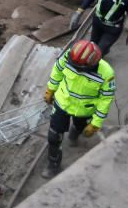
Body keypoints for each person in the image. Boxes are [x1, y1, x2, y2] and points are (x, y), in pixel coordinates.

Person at [42, 40, 115, 178]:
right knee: (53, 137)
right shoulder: (70, 56)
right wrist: (50, 89)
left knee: (80, 128)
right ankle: (53, 165)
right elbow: (57, 69)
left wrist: (96, 123)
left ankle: (75, 132)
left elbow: (106, 99)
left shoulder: (106, 74)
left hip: (84, 110)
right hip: (62, 103)